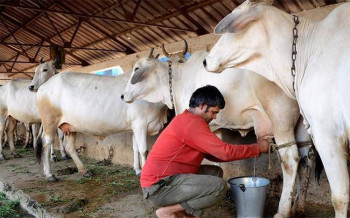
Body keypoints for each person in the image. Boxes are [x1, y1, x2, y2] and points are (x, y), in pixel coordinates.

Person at [141, 85, 271, 218]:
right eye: (214, 112)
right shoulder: (191, 124)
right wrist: (257, 148)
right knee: (219, 187)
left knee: (215, 173)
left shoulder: (188, 120)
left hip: (166, 181)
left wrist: (245, 150)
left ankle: (180, 212)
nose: (214, 117)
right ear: (202, 106)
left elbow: (215, 153)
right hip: (158, 187)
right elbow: (224, 152)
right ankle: (168, 211)